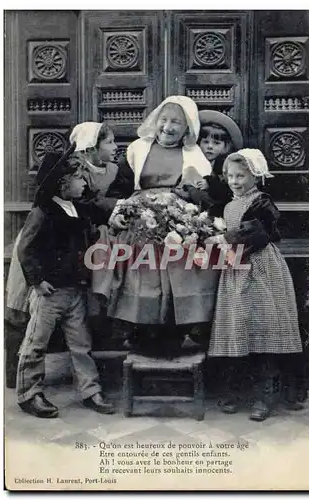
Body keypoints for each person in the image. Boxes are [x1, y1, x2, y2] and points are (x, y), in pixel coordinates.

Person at [92, 95, 219, 357]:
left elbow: (204, 196)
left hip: (179, 214)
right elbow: (120, 187)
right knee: (141, 264)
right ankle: (141, 331)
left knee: (181, 259)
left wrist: (187, 199)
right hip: (141, 215)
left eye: (176, 122)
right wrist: (122, 208)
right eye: (164, 120)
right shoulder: (138, 149)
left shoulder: (194, 155)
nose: (168, 127)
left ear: (187, 128)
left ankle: (175, 331)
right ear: (155, 121)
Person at [16, 143, 115, 418]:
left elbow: (87, 238)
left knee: (81, 344)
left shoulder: (76, 209)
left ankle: (89, 390)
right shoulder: (43, 211)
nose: (84, 183)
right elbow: (25, 248)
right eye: (79, 179)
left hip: (75, 289)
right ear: (63, 184)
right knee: (37, 342)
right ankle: (29, 393)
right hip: (50, 291)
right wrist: (36, 281)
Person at [208, 148, 303, 422]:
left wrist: (225, 238)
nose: (235, 181)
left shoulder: (262, 202)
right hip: (236, 268)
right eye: (230, 176)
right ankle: (237, 390)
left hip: (261, 267)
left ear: (256, 175)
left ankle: (266, 395)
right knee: (239, 326)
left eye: (241, 175)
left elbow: (264, 233)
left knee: (264, 325)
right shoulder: (228, 205)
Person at [175, 110, 243, 217]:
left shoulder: (225, 166)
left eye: (216, 143)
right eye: (205, 142)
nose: (210, 146)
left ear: (225, 147)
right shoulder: (191, 160)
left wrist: (210, 184)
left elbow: (229, 191)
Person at [69, 121, 134, 225]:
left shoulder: (115, 170)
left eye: (114, 141)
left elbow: (121, 196)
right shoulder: (77, 174)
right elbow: (80, 204)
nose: (115, 147)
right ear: (91, 149)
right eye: (109, 142)